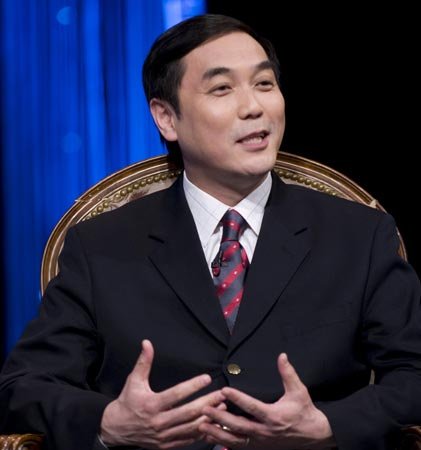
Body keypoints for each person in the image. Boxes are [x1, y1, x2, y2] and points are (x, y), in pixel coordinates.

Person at [1, 13, 421, 450]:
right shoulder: (100, 246)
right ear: (167, 118)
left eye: (264, 84)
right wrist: (110, 422)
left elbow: (413, 375)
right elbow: (22, 387)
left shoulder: (359, 235)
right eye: (222, 88)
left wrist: (328, 425)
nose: (254, 107)